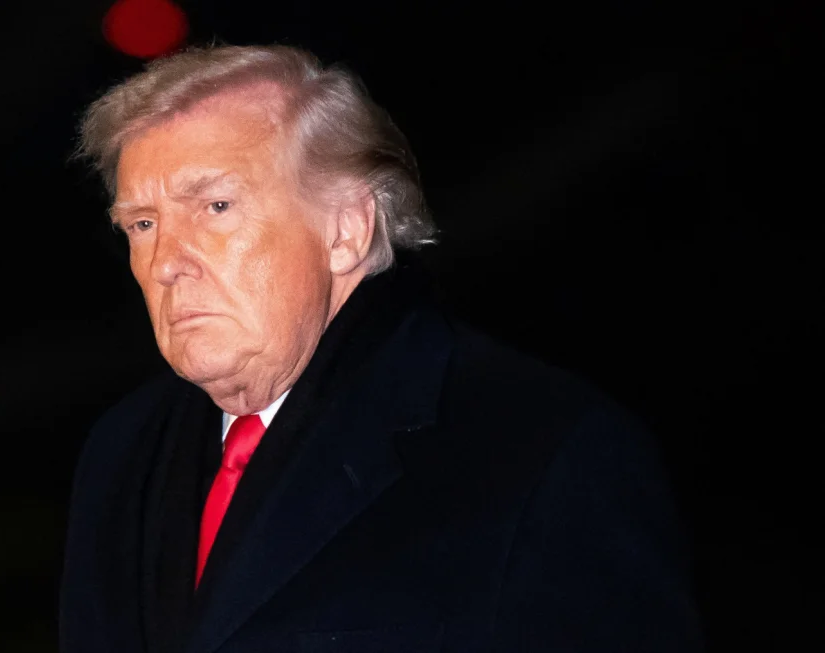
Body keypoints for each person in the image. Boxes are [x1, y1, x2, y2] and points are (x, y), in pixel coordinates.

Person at [60, 44, 700, 653]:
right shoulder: (122, 452)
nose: (166, 262)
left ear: (346, 229)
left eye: (216, 206)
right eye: (142, 225)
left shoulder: (543, 446)